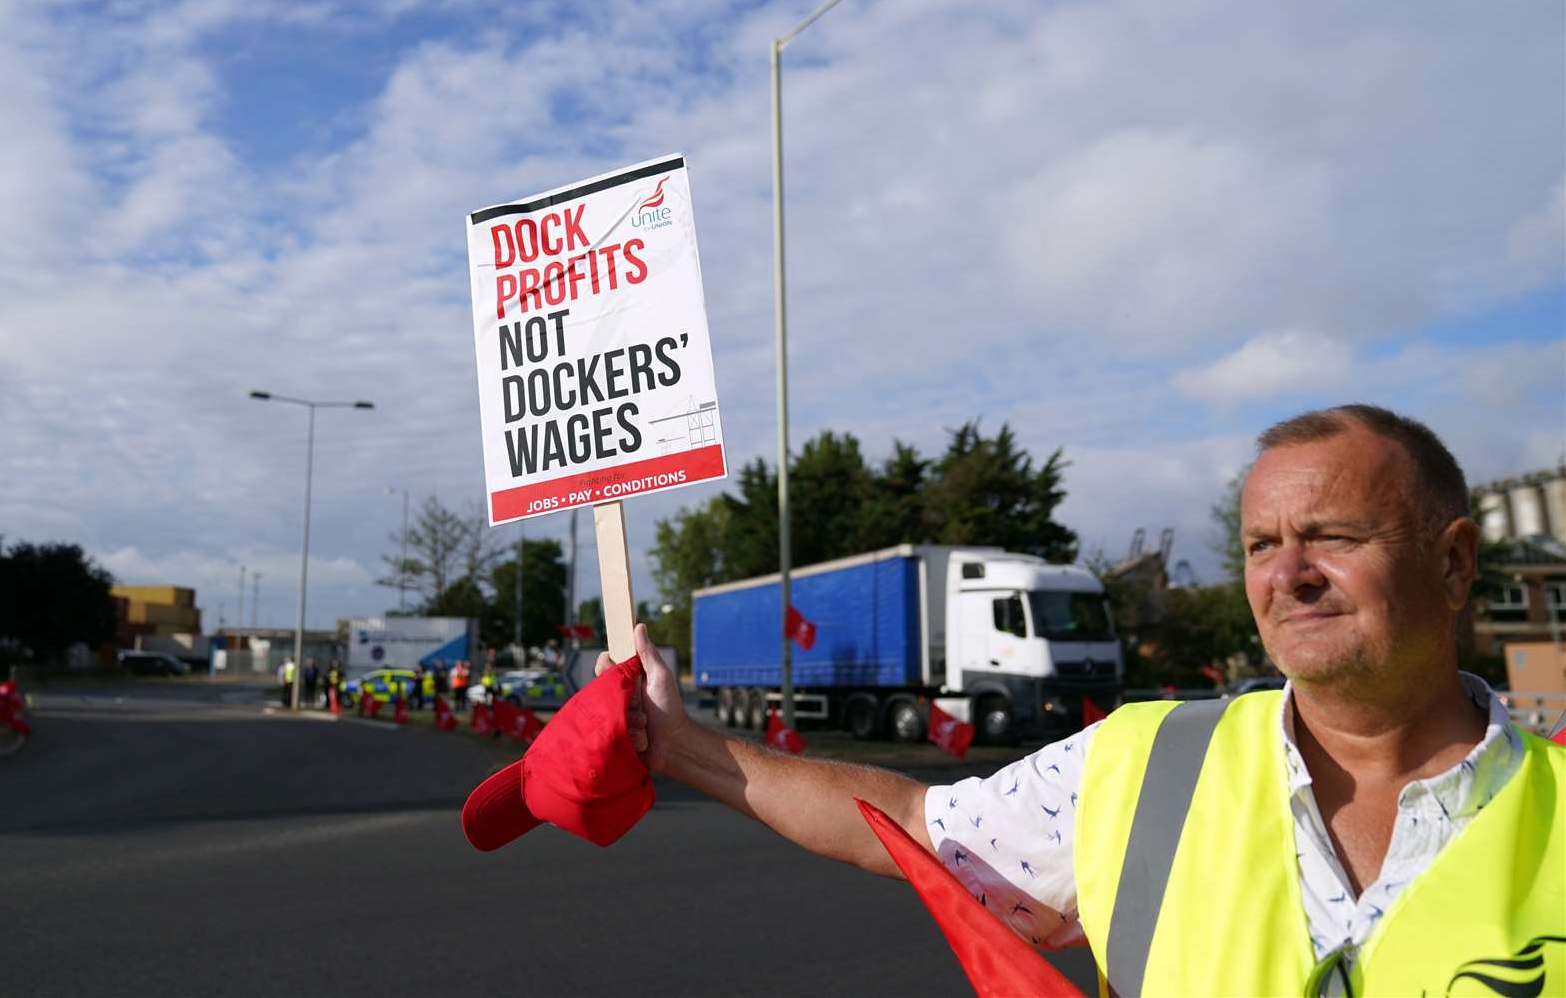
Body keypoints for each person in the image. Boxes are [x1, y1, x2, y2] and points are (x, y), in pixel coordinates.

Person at [600, 405, 1564, 996]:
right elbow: (901, 818)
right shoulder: (1140, 765)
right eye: (1262, 546)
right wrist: (679, 747)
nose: (1289, 574)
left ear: (1452, 562)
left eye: (1332, 536)